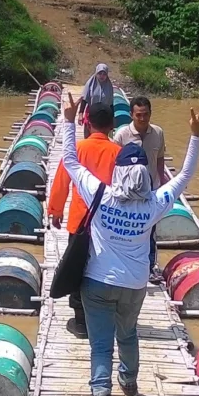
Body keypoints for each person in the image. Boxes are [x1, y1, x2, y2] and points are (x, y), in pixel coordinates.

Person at [58, 94, 199, 396]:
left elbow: (70, 160)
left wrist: (69, 120)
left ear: (119, 170)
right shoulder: (155, 204)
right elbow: (184, 176)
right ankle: (130, 382)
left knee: (99, 344)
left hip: (96, 284)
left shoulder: (99, 194)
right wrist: (196, 135)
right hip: (135, 286)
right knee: (127, 334)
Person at [47, 101, 121, 338]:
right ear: (112, 125)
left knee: (78, 269)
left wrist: (55, 210)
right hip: (109, 225)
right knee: (104, 270)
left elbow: (62, 180)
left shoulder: (77, 149)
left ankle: (81, 323)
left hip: (80, 223)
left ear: (87, 122)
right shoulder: (119, 153)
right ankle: (106, 319)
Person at [111, 96, 169, 283]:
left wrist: (162, 182)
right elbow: (114, 164)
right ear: (131, 115)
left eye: (145, 115)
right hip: (126, 194)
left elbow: (160, 159)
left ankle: (151, 268)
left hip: (150, 191)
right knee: (124, 229)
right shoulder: (121, 135)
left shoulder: (158, 133)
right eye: (138, 115)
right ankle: (121, 265)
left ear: (150, 114)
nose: (142, 119)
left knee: (150, 231)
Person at [77, 63, 114, 138]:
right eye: (100, 73)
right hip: (91, 112)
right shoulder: (90, 84)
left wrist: (112, 119)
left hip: (104, 114)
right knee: (88, 134)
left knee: (102, 136)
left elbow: (111, 104)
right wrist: (80, 113)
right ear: (96, 73)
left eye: (104, 74)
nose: (102, 76)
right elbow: (84, 99)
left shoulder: (109, 86)